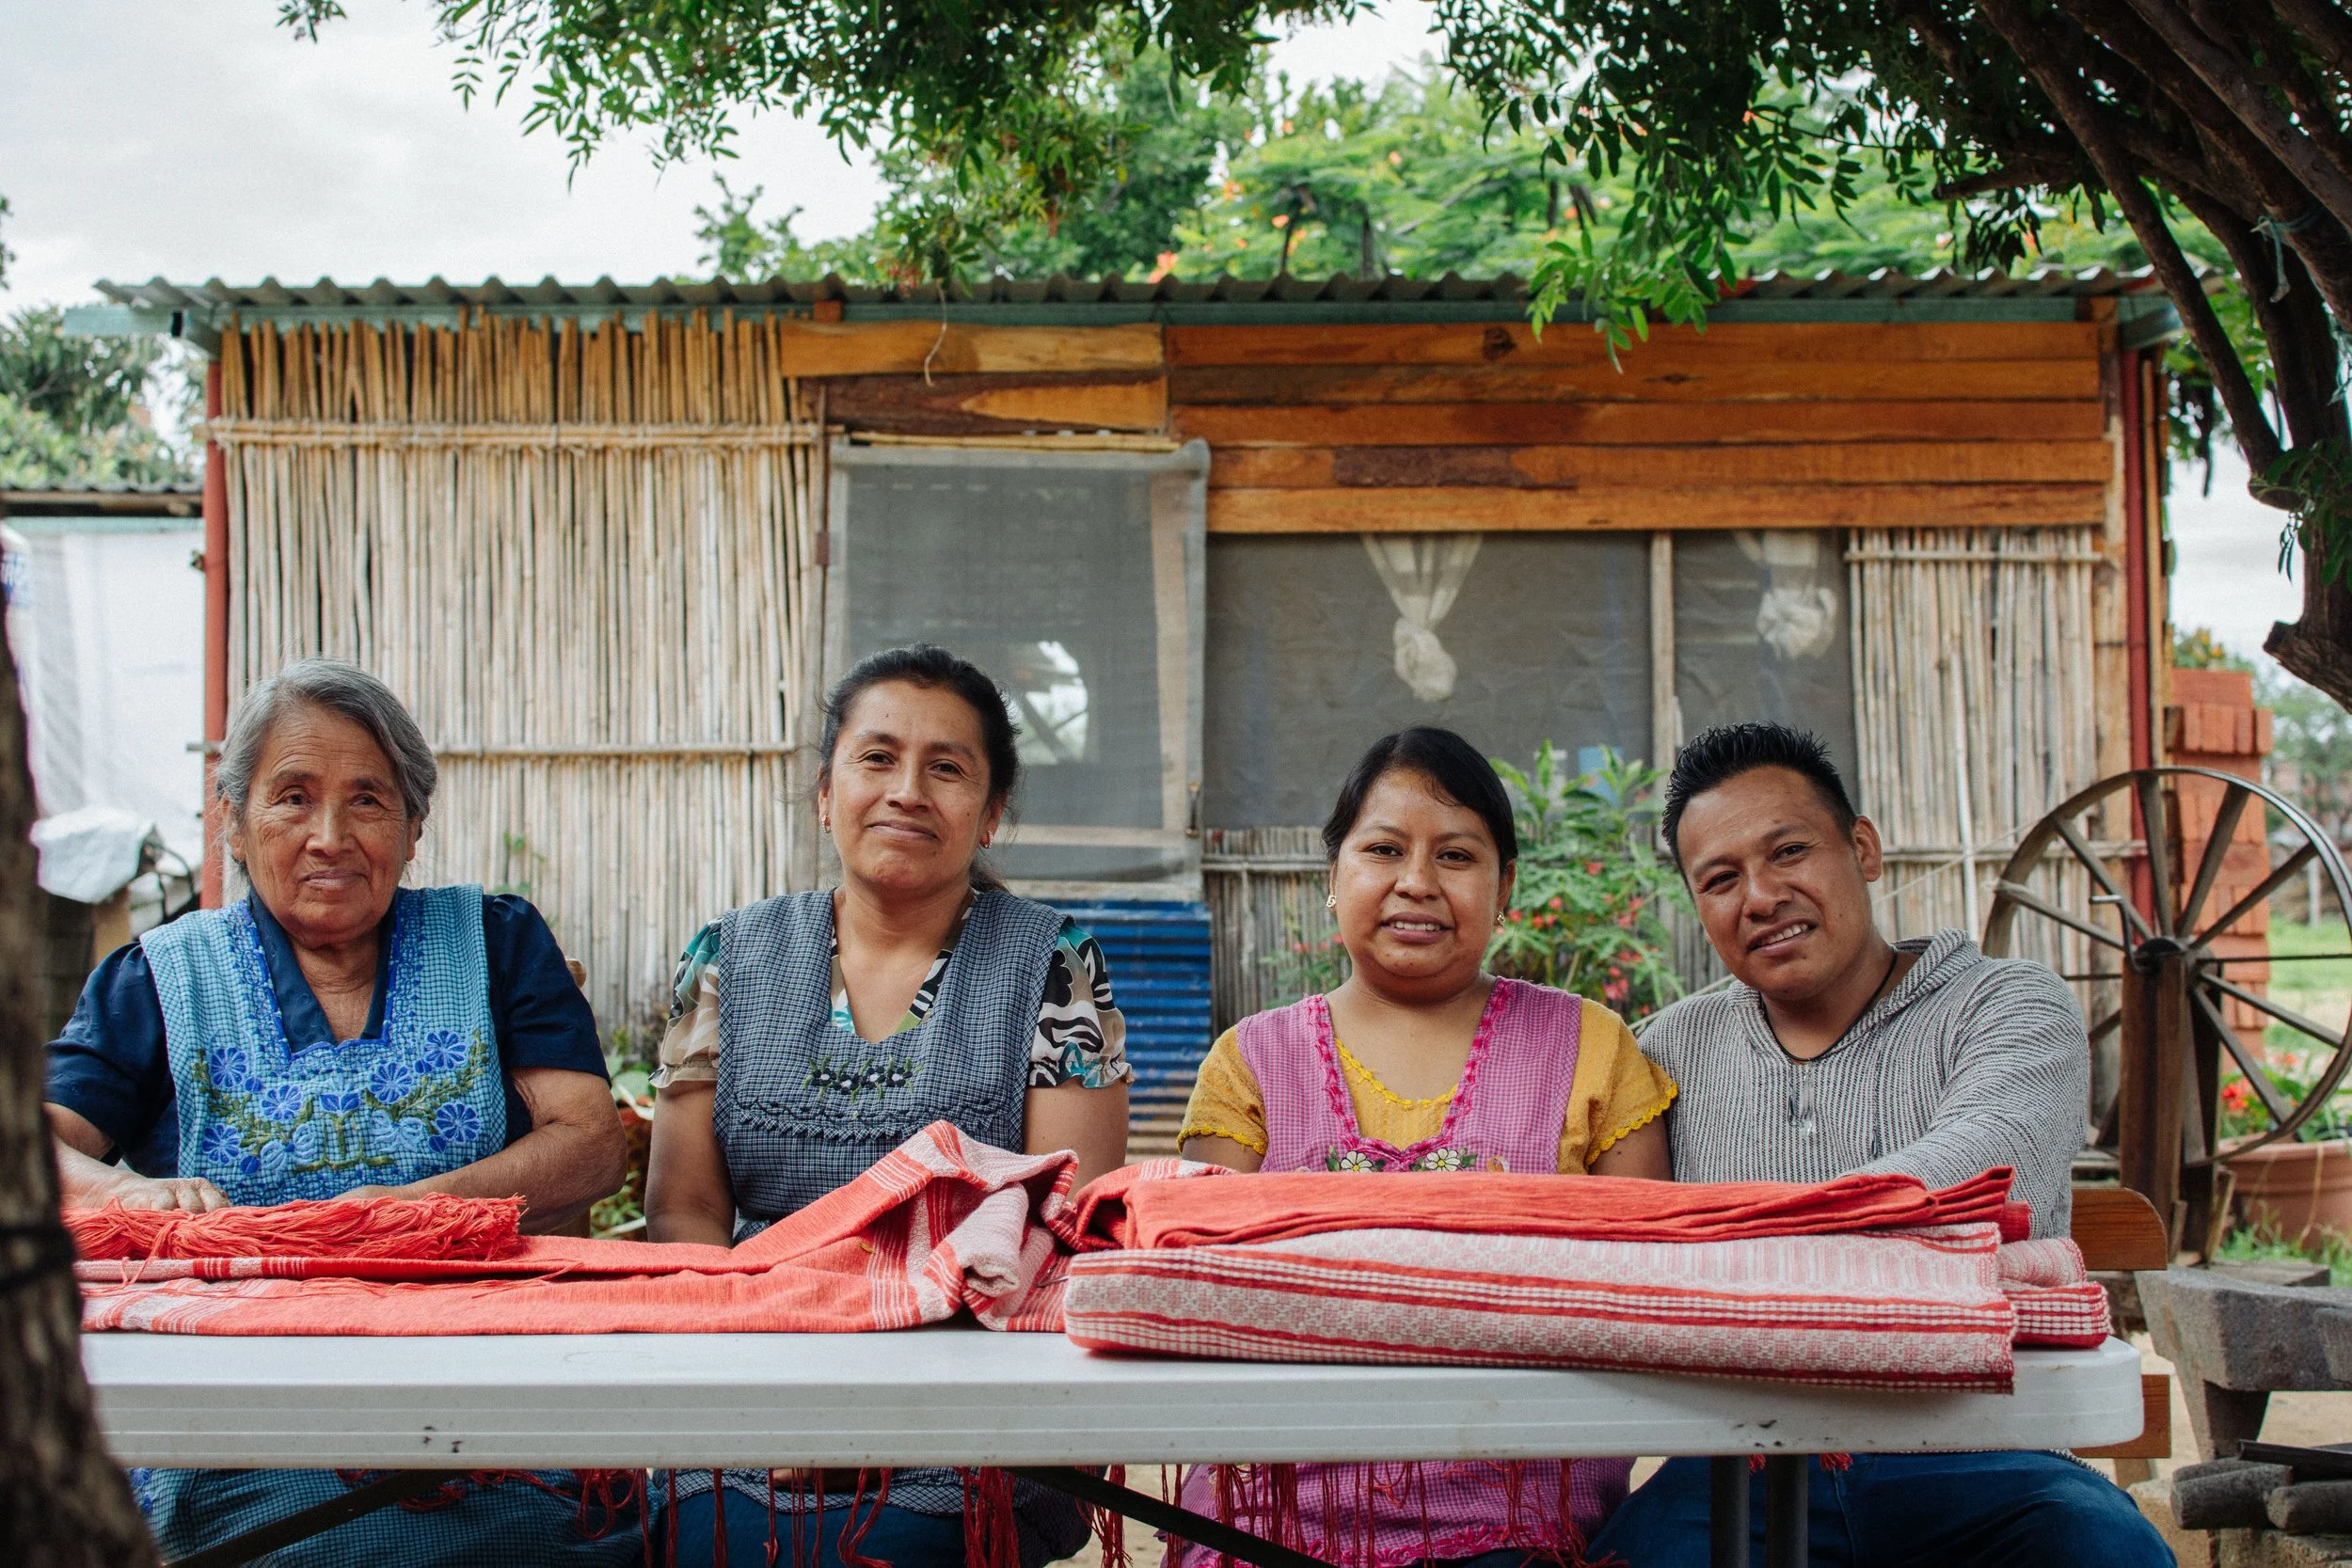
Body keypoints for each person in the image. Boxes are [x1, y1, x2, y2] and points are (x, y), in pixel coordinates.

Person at [44, 657, 637, 1565]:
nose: (331, 835)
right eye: (292, 797)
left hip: (481, 1389)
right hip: (243, 1416)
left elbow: (591, 1143)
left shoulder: (497, 940)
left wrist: (417, 1216)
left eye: (368, 800)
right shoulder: (159, 977)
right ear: (233, 826)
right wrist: (133, 1198)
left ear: (412, 829)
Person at [1587, 721, 2168, 1568]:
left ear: (1863, 848)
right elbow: (1609, 1238)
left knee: (2101, 1550)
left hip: (1984, 1452)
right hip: (1738, 1464)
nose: (1759, 895)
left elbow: (1980, 1177)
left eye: (1788, 851)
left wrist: (1729, 1241)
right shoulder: (1669, 1050)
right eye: (1721, 878)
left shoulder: (2006, 1007)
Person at [644, 642, 1130, 1568]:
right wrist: (763, 1402)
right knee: (723, 1541)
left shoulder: (1053, 963)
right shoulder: (726, 958)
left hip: (977, 1402)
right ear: (826, 792)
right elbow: (686, 1214)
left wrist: (895, 1417)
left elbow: (1070, 1233)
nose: (908, 788)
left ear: (989, 816)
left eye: (946, 767)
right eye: (877, 756)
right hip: (753, 1376)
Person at [1178, 726, 1676, 1567]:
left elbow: (1638, 1297)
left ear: (1505, 884)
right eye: (1383, 849)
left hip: (1519, 1514)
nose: (1417, 882)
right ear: (1332, 878)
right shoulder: (1250, 1061)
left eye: (1456, 855)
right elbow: (1194, 1297)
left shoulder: (1593, 1047)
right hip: (1264, 1512)